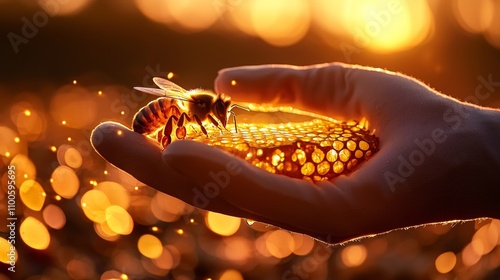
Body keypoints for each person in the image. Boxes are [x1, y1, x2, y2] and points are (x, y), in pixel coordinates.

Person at [91, 63, 500, 244]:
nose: (219, 120)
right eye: (216, 113)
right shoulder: (192, 107)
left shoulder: (205, 108)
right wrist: (480, 145)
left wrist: (475, 148)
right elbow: (180, 113)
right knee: (178, 135)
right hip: (157, 119)